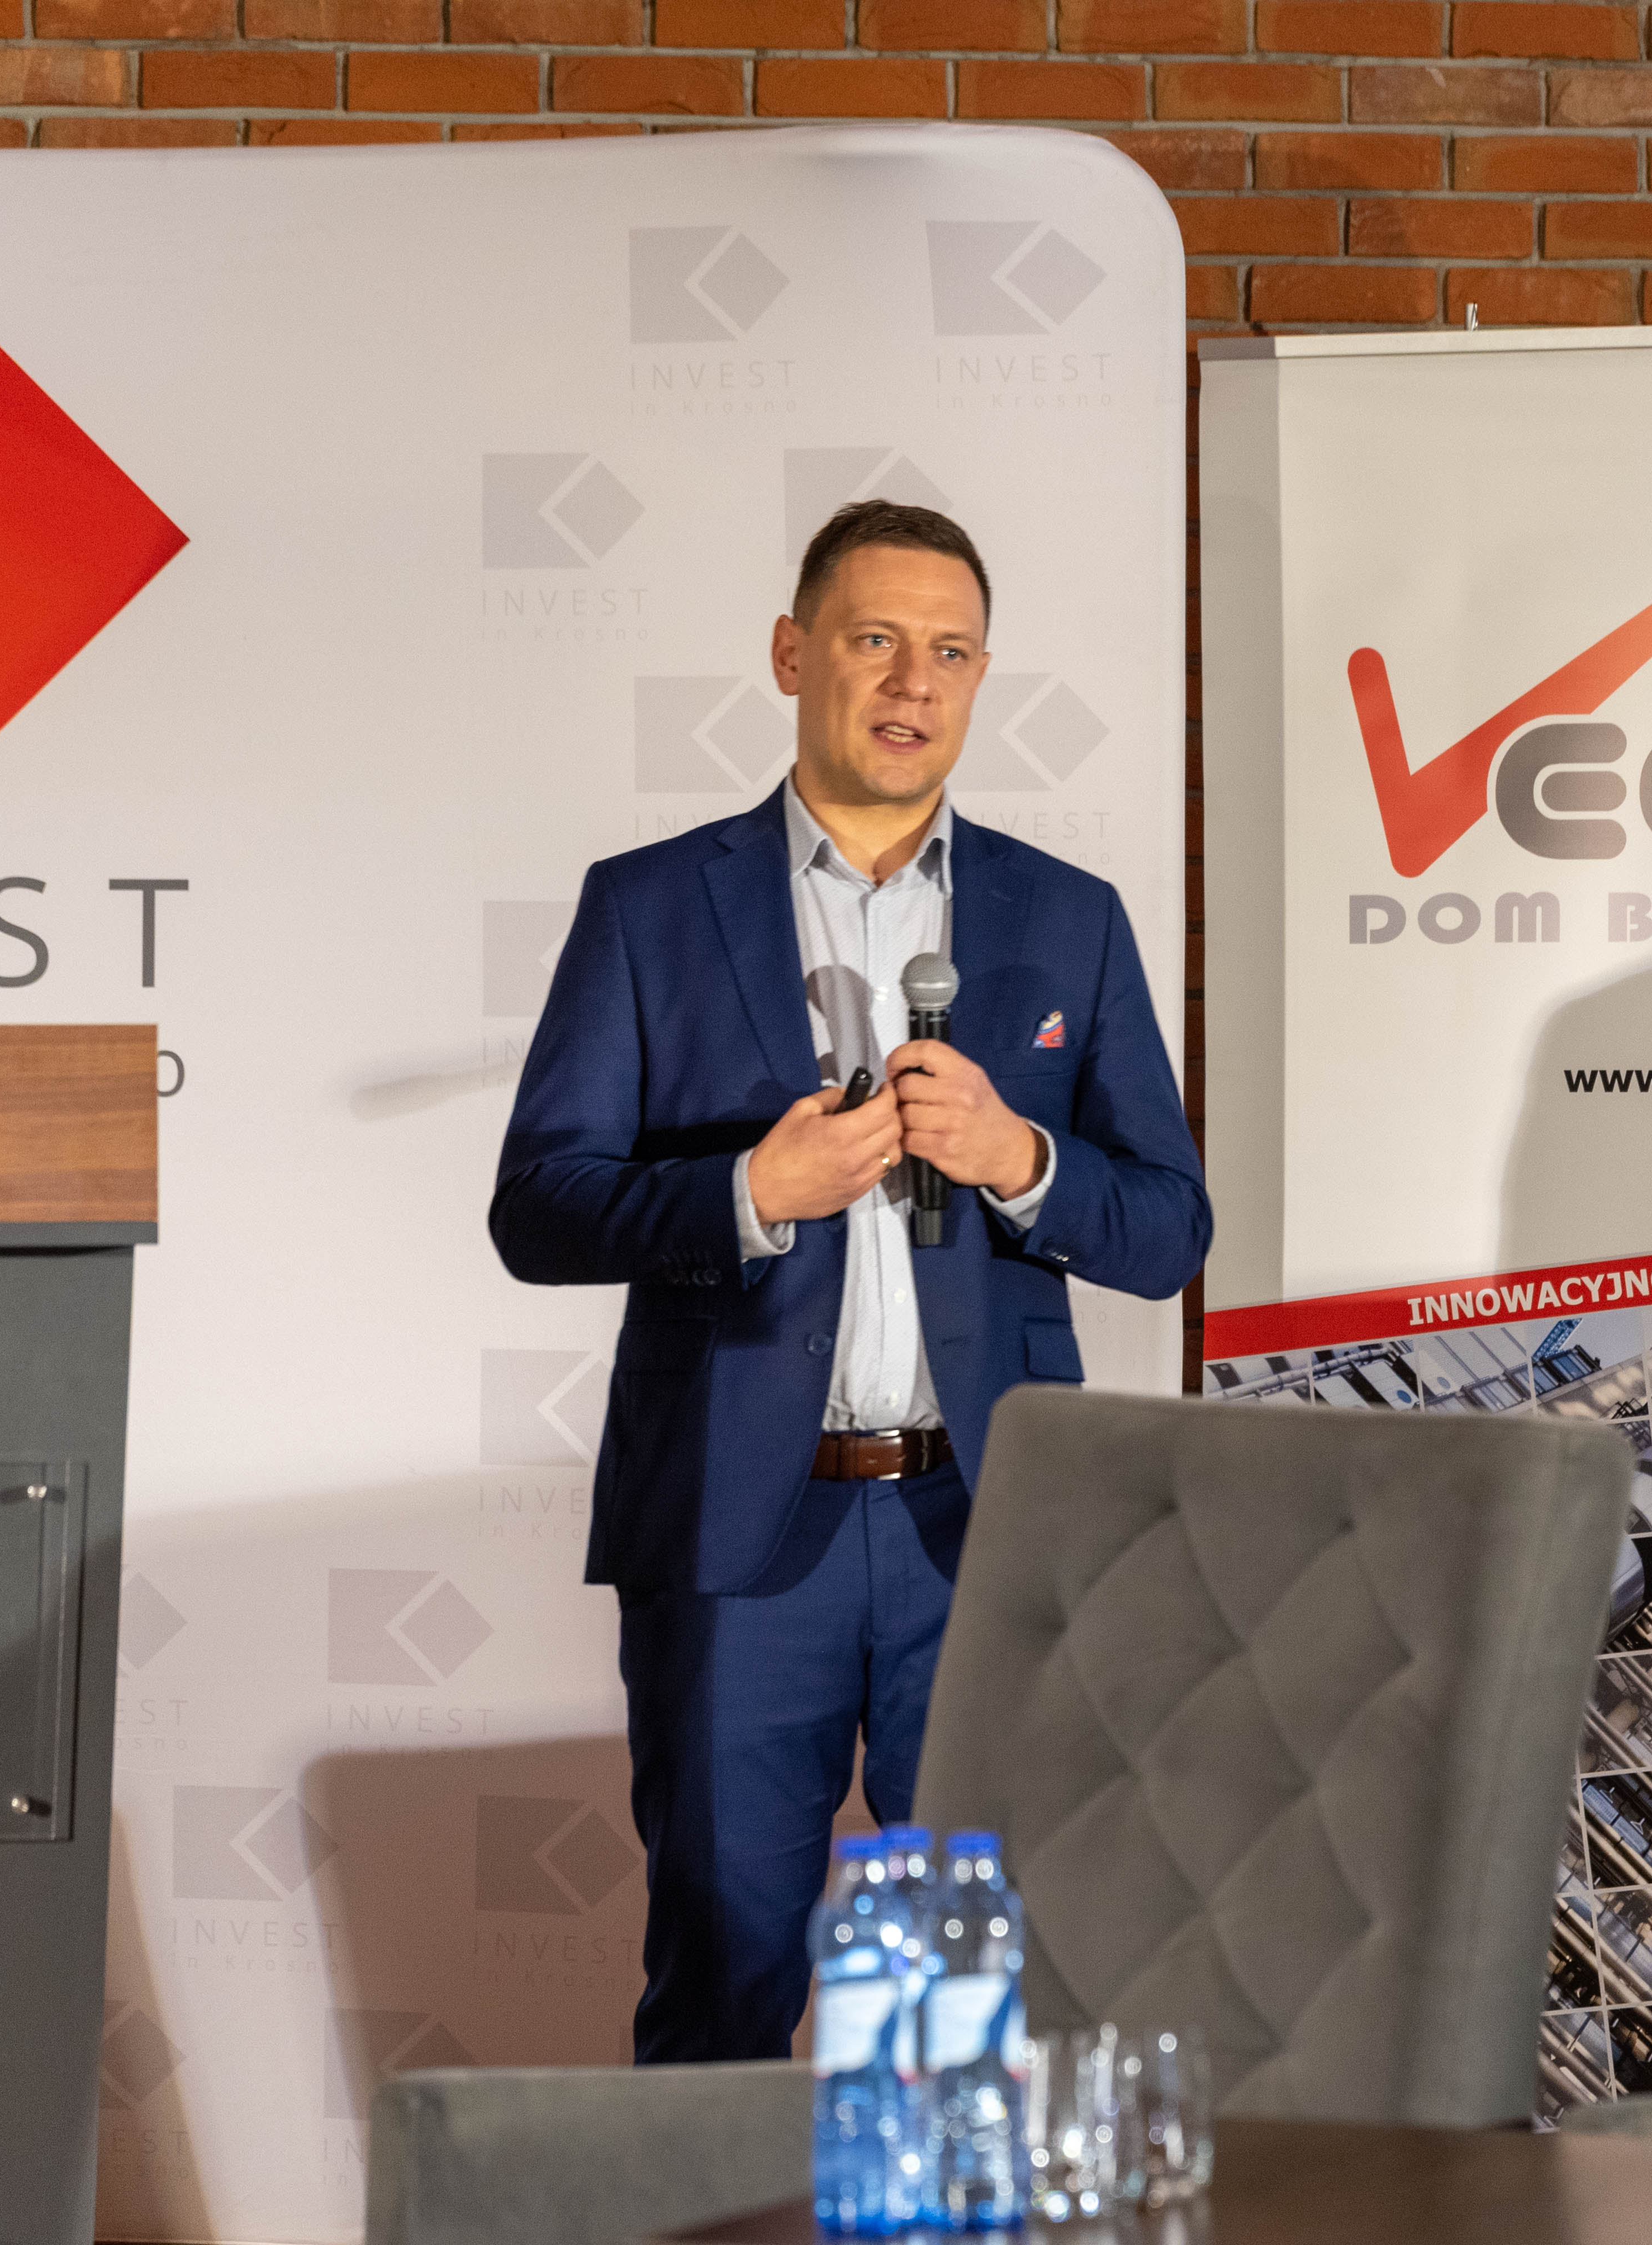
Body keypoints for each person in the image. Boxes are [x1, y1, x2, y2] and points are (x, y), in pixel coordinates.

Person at [488, 500, 1209, 2063]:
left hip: (986, 1534)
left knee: (970, 2006)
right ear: (792, 653)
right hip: (738, 1537)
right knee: (725, 1982)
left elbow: (1169, 1232)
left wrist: (1023, 1159)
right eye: (875, 639)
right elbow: (539, 1210)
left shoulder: (1068, 919)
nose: (912, 682)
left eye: (950, 652)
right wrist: (751, 1193)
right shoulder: (651, 907)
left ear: (981, 678)